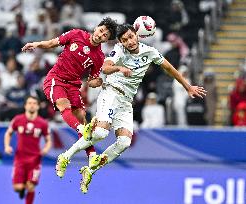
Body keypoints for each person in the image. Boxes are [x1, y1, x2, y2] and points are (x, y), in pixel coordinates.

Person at [56, 23, 207, 193]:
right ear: (120, 42)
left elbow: (169, 68)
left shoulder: (149, 51)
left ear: (136, 34)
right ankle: (65, 156)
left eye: (131, 36)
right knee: (100, 133)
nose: (129, 41)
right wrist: (119, 67)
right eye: (124, 39)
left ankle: (89, 170)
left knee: (124, 142)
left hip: (126, 101)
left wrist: (188, 87)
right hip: (111, 93)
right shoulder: (119, 50)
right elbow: (105, 67)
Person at [21, 17, 118, 178]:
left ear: (107, 39)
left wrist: (98, 81)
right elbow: (53, 43)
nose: (101, 35)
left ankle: (92, 156)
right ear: (97, 27)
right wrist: (36, 44)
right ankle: (81, 131)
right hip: (56, 79)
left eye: (105, 36)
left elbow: (92, 81)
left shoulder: (99, 56)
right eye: (101, 30)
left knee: (82, 118)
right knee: (63, 105)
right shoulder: (76, 34)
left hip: (74, 85)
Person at [4, 96, 52, 204]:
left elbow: (48, 140)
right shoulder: (18, 119)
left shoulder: (43, 123)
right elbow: (8, 133)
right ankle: (22, 188)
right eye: (29, 103)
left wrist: (46, 149)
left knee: (31, 186)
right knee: (17, 187)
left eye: (34, 103)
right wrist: (7, 146)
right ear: (25, 105)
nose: (32, 105)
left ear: (38, 106)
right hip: (20, 159)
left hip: (35, 160)